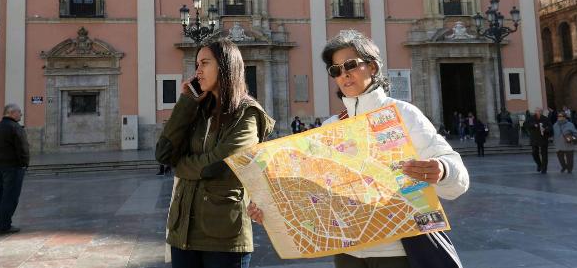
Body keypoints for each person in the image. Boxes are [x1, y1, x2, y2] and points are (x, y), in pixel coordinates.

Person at [248, 30, 469, 268]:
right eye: (336, 70)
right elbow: (309, 190)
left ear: (372, 67)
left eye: (351, 65)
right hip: (348, 253)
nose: (344, 74)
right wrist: (267, 208)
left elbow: (457, 176)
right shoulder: (331, 127)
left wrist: (443, 170)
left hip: (398, 251)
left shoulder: (402, 113)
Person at [155, 38, 275, 268]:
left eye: (204, 63)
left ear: (225, 66)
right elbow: (163, 153)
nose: (197, 71)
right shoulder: (197, 111)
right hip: (183, 233)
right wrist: (187, 101)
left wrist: (180, 166)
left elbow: (220, 163)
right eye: (197, 64)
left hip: (223, 238)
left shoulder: (247, 114)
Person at [0, 104, 29, 235]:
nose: (21, 115)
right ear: (11, 113)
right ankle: (4, 226)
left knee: (1, 195)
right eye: (19, 112)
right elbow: (23, 148)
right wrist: (24, 164)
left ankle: (1, 223)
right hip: (13, 167)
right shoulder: (15, 128)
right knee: (10, 197)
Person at [525, 108, 552, 174]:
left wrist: (545, 129)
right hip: (534, 138)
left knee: (544, 154)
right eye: (537, 111)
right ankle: (539, 164)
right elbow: (525, 124)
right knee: (534, 153)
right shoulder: (531, 118)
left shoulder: (545, 119)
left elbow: (550, 128)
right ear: (535, 112)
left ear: (542, 112)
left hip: (543, 138)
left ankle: (544, 169)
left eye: (540, 111)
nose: (538, 112)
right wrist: (533, 125)